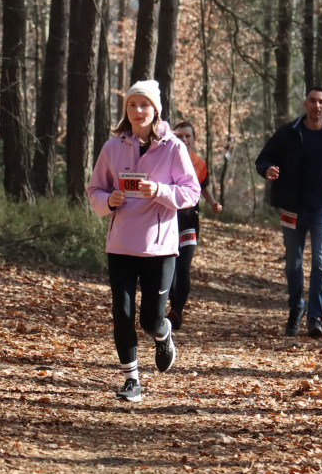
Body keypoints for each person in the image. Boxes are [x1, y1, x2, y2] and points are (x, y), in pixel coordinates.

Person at [87, 80, 201, 402]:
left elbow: (191, 193)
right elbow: (95, 190)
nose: (138, 111)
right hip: (121, 244)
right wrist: (108, 201)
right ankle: (131, 380)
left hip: (159, 247)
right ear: (126, 110)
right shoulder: (112, 148)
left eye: (145, 105)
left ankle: (163, 333)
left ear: (156, 110)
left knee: (150, 320)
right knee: (122, 313)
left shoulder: (173, 148)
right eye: (132, 105)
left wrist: (160, 192)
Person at [255, 86, 322, 339]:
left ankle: (315, 318)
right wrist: (267, 170)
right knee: (292, 262)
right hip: (292, 208)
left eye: (321, 102)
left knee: (319, 261)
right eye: (313, 101)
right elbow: (263, 159)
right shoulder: (288, 132)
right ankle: (296, 307)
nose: (317, 106)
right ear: (305, 103)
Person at [167, 121, 223, 331]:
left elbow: (203, 186)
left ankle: (176, 312)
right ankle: (171, 304)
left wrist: (213, 203)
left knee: (183, 267)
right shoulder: (165, 159)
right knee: (169, 267)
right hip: (167, 221)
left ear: (194, 139)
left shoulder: (199, 163)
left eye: (187, 136)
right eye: (179, 136)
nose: (184, 140)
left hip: (189, 220)